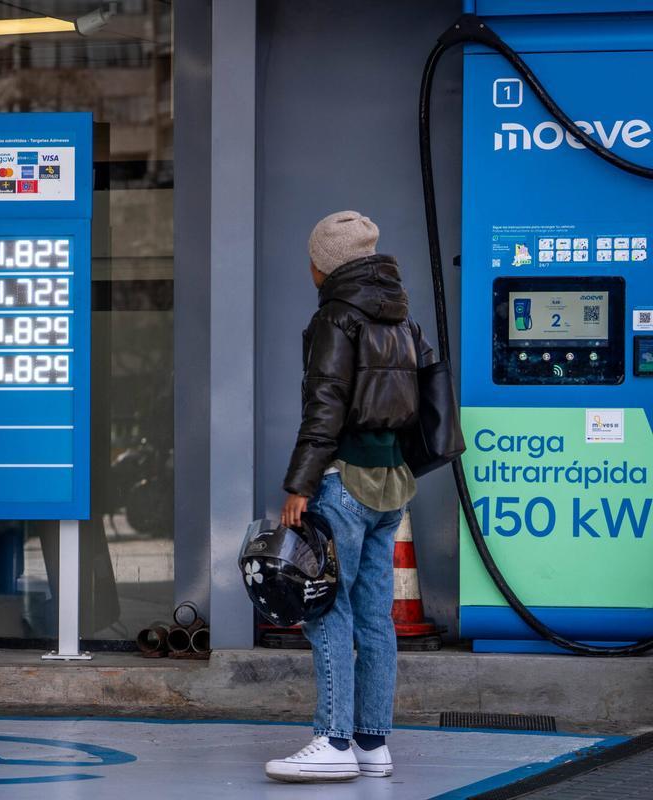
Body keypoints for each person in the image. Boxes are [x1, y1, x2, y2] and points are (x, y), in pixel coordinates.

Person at [265, 211, 434, 784]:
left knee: (326, 609)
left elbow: (325, 406)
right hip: (391, 486)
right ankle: (372, 744)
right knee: (374, 619)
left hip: (344, 481)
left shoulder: (335, 318)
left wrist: (299, 485)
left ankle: (333, 741)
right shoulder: (403, 319)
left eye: (313, 257)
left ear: (327, 264)